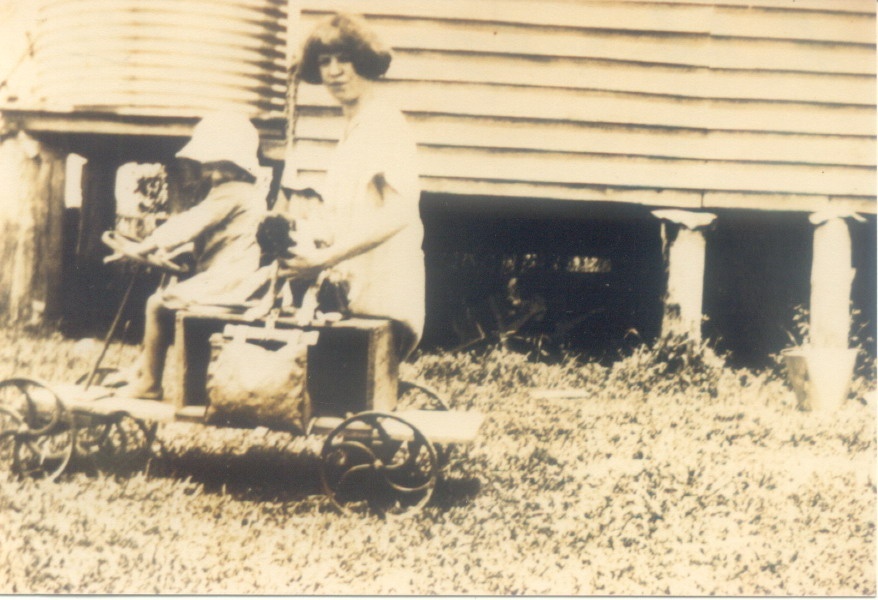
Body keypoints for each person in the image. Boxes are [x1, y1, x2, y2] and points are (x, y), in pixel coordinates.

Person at [279, 12, 425, 360]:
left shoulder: (383, 122)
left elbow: (400, 214)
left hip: (384, 302)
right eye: (324, 62)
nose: (335, 71)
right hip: (352, 300)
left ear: (365, 62)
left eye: (345, 59)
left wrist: (323, 258)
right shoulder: (352, 130)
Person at [115, 112, 266, 399]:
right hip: (230, 275)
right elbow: (217, 235)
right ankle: (140, 368)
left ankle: (149, 382)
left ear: (238, 165)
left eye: (221, 167)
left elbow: (191, 223)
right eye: (210, 167)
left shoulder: (234, 191)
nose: (213, 174)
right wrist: (176, 252)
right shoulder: (243, 192)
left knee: (157, 304)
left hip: (232, 280)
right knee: (170, 291)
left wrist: (145, 246)